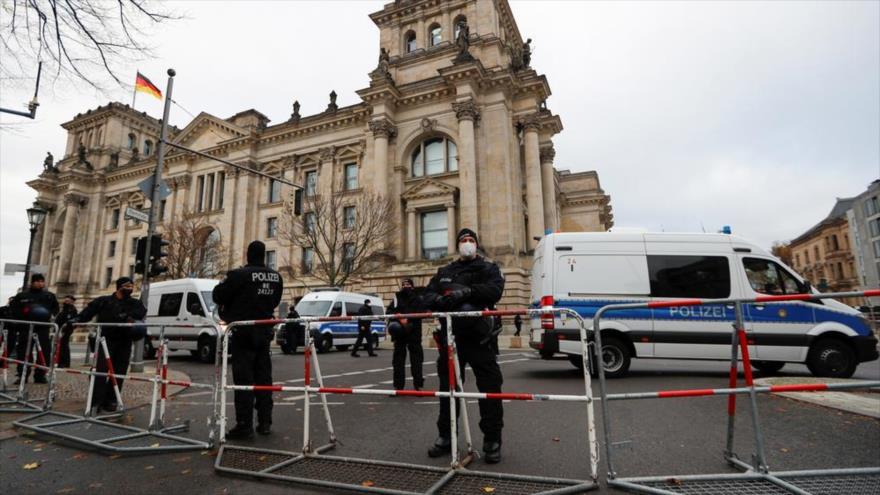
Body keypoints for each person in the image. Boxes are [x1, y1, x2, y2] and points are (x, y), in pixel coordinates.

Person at [423, 228, 505, 464]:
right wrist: (440, 300)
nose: (467, 243)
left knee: (490, 390)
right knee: (448, 391)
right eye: (463, 241)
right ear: (457, 245)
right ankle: (446, 436)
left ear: (476, 244)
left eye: (471, 240)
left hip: (481, 339)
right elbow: (427, 295)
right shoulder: (445, 271)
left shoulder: (489, 268)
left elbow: (495, 291)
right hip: (452, 339)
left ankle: (492, 440)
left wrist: (467, 293)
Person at [213, 241, 283, 439]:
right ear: (264, 255)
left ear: (248, 254)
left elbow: (219, 296)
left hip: (243, 332)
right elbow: (275, 301)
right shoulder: (276, 277)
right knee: (264, 379)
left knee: (244, 381)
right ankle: (265, 422)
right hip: (264, 332)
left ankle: (244, 425)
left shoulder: (239, 275)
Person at [73, 277, 146, 412]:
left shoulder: (135, 303)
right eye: (127, 286)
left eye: (131, 286)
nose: (130, 288)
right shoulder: (103, 301)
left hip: (124, 341)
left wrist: (126, 316)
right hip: (105, 341)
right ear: (119, 287)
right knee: (100, 371)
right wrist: (77, 319)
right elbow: (89, 311)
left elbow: (140, 313)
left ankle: (111, 400)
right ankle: (96, 402)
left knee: (119, 372)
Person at [11, 274, 59, 384]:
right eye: (38, 281)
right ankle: (23, 374)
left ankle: (40, 375)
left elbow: (55, 308)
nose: (40, 283)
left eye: (42, 281)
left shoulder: (49, 295)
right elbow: (14, 309)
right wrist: (22, 318)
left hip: (43, 327)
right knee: (24, 351)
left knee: (44, 351)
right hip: (26, 327)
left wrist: (51, 315)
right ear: (32, 282)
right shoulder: (22, 295)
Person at [386, 279, 425, 391]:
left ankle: (418, 386)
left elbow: (422, 313)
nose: (405, 286)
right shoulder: (396, 298)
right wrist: (398, 317)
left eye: (407, 284)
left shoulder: (418, 298)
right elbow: (389, 312)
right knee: (398, 361)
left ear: (412, 286)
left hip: (414, 332)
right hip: (399, 332)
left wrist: (407, 320)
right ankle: (398, 386)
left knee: (416, 360)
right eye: (403, 284)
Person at [55, 295, 79, 368]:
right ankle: (60, 362)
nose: (65, 302)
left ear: (72, 302)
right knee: (61, 346)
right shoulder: (64, 309)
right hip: (60, 329)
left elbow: (73, 321)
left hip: (65, 330)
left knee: (63, 346)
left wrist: (66, 328)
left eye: (68, 301)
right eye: (65, 300)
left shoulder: (72, 310)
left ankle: (63, 363)